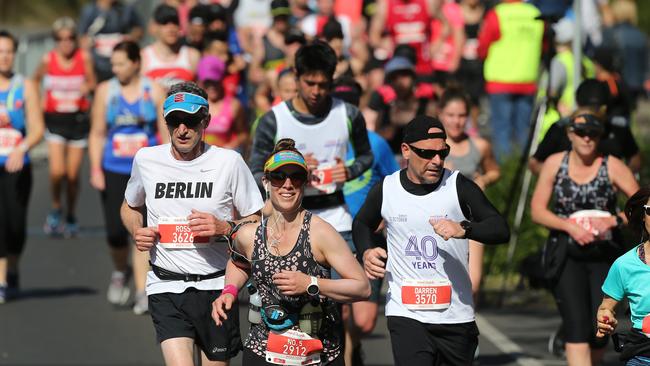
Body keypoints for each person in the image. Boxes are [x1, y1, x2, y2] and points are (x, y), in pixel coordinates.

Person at [121, 81, 264, 365]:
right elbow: (130, 206)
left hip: (216, 287)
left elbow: (257, 220)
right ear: (166, 122)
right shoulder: (147, 159)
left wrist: (225, 228)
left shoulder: (229, 162)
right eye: (175, 120)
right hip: (166, 285)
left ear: (206, 121)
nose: (182, 129)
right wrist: (138, 230)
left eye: (190, 120)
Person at [353, 116, 510, 365]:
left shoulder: (458, 186)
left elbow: (500, 229)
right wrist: (366, 251)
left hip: (455, 316)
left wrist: (464, 228)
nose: (436, 161)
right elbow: (362, 223)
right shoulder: (388, 188)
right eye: (427, 153)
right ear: (406, 150)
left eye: (442, 153)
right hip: (406, 313)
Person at [212, 138, 370, 365]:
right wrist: (229, 290)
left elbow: (362, 287)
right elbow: (239, 262)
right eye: (278, 177)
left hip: (318, 354)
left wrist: (311, 283)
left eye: (295, 177)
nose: (287, 184)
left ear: (305, 183)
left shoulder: (320, 233)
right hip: (263, 350)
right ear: (266, 182)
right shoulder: (250, 234)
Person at [530, 113, 639, 366]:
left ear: (600, 137)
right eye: (581, 133)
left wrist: (613, 220)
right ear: (570, 134)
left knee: (598, 325)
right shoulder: (556, 163)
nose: (587, 138)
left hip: (604, 255)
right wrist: (568, 226)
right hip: (566, 254)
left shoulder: (611, 165)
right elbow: (537, 210)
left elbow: (641, 205)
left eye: (593, 133)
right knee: (576, 325)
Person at [249, 40, 373, 252]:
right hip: (287, 224)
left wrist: (349, 171)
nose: (316, 91)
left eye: (323, 84)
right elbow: (255, 172)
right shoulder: (273, 119)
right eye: (309, 83)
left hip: (337, 220)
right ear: (296, 76)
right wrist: (293, 171)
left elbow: (367, 156)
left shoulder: (348, 113)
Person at [88, 41, 166, 314]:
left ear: (136, 63)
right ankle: (121, 271)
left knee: (141, 231)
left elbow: (164, 133)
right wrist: (96, 170)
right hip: (114, 168)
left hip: (146, 172)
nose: (116, 68)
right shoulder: (105, 91)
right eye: (113, 64)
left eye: (121, 63)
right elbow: (97, 132)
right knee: (114, 231)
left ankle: (142, 290)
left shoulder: (153, 90)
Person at [333, 77, 400, 366]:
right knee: (340, 310)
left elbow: (396, 183)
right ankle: (344, 358)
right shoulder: (322, 142)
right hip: (332, 234)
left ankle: (353, 346)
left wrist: (387, 216)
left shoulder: (376, 144)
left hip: (369, 236)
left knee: (365, 320)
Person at [33, 17, 96, 237]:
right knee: (57, 171)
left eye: (70, 38)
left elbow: (93, 83)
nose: (66, 43)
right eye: (61, 39)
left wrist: (86, 88)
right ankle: (55, 207)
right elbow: (33, 81)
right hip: (54, 121)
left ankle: (70, 214)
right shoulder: (48, 59)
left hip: (77, 122)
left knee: (72, 175)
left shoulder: (84, 58)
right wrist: (38, 102)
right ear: (55, 40)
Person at [439, 88, 500, 300]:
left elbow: (494, 170)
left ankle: (465, 326)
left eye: (461, 116)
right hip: (439, 221)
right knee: (442, 285)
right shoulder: (433, 148)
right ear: (441, 115)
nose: (456, 121)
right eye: (451, 115)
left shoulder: (480, 145)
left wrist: (483, 180)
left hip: (471, 220)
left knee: (472, 284)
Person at [0, 30, 45, 303]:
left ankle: (13, 267)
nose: (4, 57)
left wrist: (22, 148)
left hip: (18, 166)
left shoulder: (25, 85)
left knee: (15, 224)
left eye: (8, 52)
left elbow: (38, 128)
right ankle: (2, 279)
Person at [529, 78, 641, 175]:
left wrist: (621, 177)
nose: (587, 138)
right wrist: (560, 179)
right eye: (580, 133)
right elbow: (535, 163)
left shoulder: (617, 128)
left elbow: (635, 157)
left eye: (597, 110)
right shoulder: (560, 129)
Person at [477, 0, 544, 162]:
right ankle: (522, 174)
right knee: (524, 131)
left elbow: (482, 46)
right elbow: (544, 45)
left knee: (502, 131)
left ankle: (506, 175)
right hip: (527, 81)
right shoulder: (534, 13)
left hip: (501, 82)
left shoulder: (497, 14)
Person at [596, 185, 650, 365]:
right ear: (643, 215)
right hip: (642, 356)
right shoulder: (624, 265)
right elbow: (606, 307)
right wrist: (605, 319)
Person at [363, 55, 436, 154]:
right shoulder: (385, 108)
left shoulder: (427, 105)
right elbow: (376, 138)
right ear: (389, 82)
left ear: (413, 78)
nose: (400, 81)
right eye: (394, 77)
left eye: (404, 75)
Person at [77, 0, 144, 82]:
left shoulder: (126, 9)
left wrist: (130, 38)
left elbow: (139, 29)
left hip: (121, 65)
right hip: (97, 66)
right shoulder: (89, 11)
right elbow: (81, 38)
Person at [141, 4, 200, 91]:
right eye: (165, 23)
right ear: (155, 27)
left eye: (175, 23)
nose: (171, 28)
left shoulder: (192, 55)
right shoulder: (143, 56)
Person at [197, 56, 247, 153]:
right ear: (201, 82)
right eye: (207, 82)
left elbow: (243, 134)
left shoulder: (234, 105)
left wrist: (231, 146)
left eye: (215, 81)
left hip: (223, 157)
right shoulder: (194, 105)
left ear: (221, 80)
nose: (212, 87)